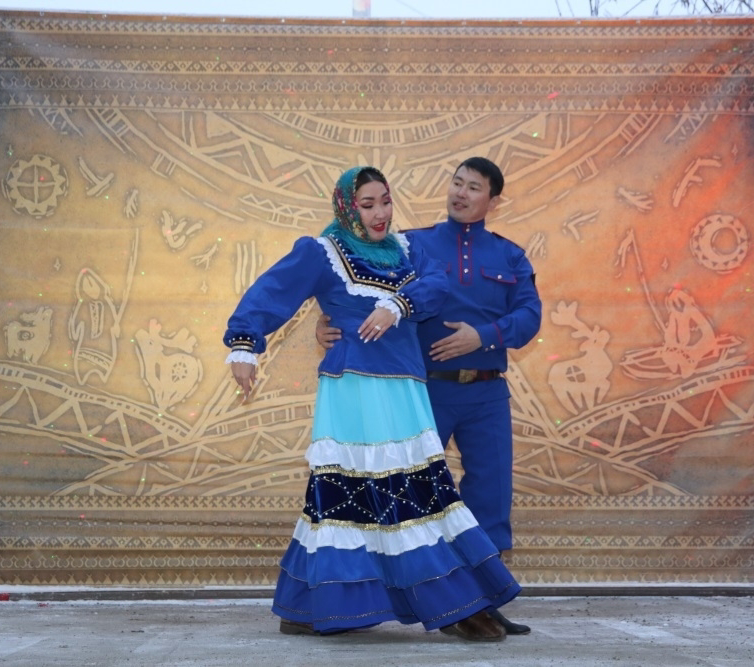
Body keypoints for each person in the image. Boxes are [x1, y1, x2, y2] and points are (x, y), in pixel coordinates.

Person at [224, 165, 520, 641]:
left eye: (385, 201)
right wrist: (244, 343)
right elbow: (273, 290)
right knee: (360, 495)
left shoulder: (407, 250)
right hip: (355, 388)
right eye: (367, 204)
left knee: (410, 492)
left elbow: (436, 284)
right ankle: (451, 605)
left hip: (404, 386)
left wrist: (396, 305)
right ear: (348, 207)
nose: (380, 213)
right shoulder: (322, 252)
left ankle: (306, 606)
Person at [317, 157, 542, 635]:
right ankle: (417, 599)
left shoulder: (510, 256)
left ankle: (485, 601)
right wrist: (329, 322)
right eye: (457, 183)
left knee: (490, 498)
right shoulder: (409, 245)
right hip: (421, 393)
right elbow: (360, 288)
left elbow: (529, 317)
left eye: (474, 187)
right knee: (413, 496)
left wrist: (482, 336)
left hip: (486, 393)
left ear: (493, 200)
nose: (461, 193)